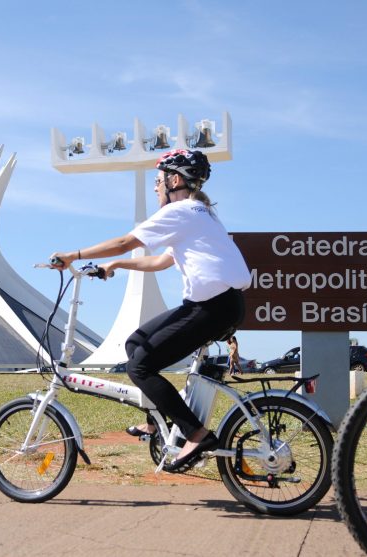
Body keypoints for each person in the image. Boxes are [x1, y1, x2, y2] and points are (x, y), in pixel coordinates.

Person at [51, 148, 250, 472]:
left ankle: (196, 434)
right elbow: (160, 260)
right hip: (219, 304)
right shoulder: (199, 213)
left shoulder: (181, 211)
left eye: (158, 182)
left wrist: (73, 254)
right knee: (135, 345)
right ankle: (157, 422)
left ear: (174, 180)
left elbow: (125, 241)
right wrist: (116, 264)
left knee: (140, 367)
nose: (156, 188)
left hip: (212, 307)